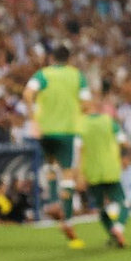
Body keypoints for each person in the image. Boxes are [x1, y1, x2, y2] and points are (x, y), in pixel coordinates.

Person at [21, 43, 86, 248]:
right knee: (67, 173)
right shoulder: (77, 76)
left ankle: (50, 203)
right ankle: (66, 219)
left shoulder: (43, 74)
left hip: (45, 129)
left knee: (50, 163)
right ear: (69, 59)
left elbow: (27, 94)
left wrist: (33, 119)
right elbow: (86, 103)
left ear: (52, 58)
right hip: (67, 130)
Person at [75, 92, 131, 248]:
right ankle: (118, 228)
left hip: (92, 171)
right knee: (123, 202)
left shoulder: (80, 124)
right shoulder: (109, 122)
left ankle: (112, 233)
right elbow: (125, 143)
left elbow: (78, 149)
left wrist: (79, 174)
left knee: (100, 207)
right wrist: (124, 158)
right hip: (111, 169)